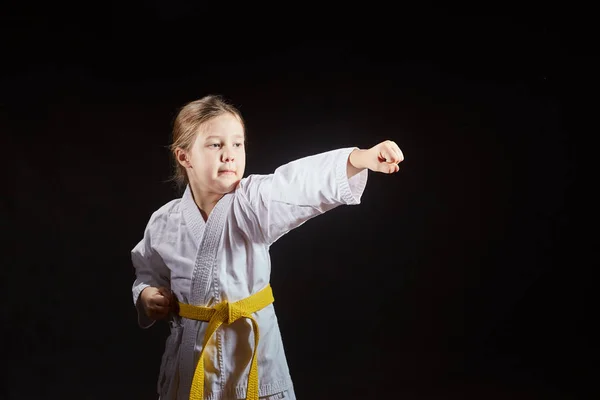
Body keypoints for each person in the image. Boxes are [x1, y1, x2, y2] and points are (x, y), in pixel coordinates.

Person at [131, 94, 404, 400]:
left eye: (237, 144)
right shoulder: (164, 221)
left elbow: (298, 184)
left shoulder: (253, 201)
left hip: (253, 356)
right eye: (215, 145)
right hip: (192, 359)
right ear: (184, 157)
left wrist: (359, 160)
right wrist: (147, 296)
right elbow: (147, 273)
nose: (229, 155)